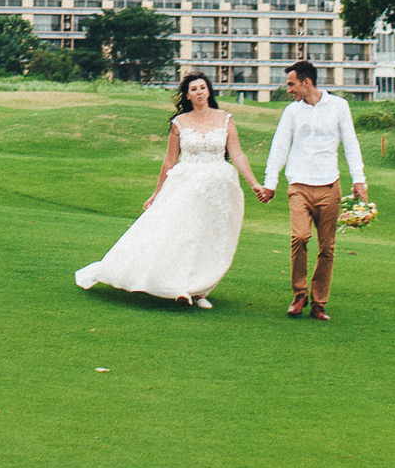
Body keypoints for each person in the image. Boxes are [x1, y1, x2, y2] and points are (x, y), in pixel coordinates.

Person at [74, 72, 261, 308]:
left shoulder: (225, 118)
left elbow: (236, 154)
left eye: (203, 87)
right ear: (187, 95)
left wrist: (254, 183)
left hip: (219, 188)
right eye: (194, 89)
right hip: (187, 184)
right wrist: (157, 192)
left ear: (209, 91)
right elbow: (170, 161)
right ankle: (180, 287)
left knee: (210, 237)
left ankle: (200, 290)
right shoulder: (180, 123)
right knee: (185, 234)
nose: (199, 92)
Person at [259, 59, 368, 321]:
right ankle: (299, 294)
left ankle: (319, 302)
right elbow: (279, 146)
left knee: (327, 247)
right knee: (300, 237)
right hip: (298, 185)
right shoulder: (292, 112)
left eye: (291, 84)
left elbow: (350, 143)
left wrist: (359, 179)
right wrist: (270, 182)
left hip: (329, 186)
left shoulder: (339, 107)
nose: (288, 90)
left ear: (306, 82)